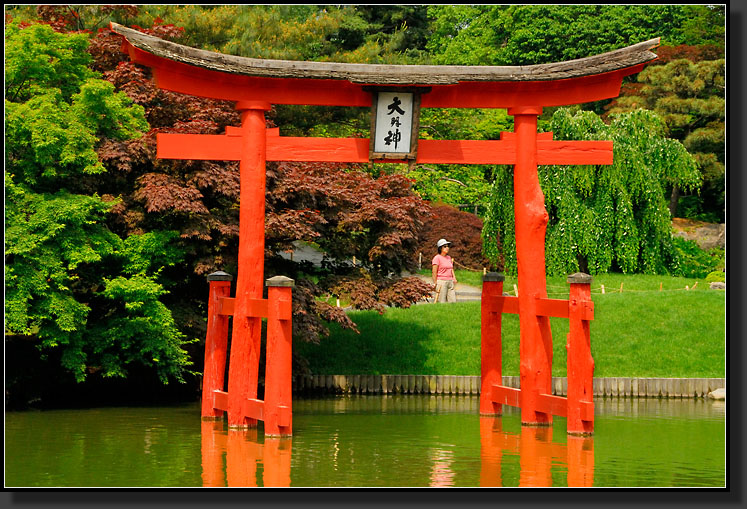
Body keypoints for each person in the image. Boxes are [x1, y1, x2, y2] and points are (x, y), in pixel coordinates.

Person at [432, 238, 457, 303]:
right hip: (441, 282)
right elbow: (434, 272)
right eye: (445, 246)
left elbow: (451, 268)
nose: (447, 248)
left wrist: (454, 278)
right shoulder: (437, 258)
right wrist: (435, 283)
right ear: (440, 248)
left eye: (448, 246)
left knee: (453, 302)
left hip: (450, 281)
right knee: (442, 302)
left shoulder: (448, 257)